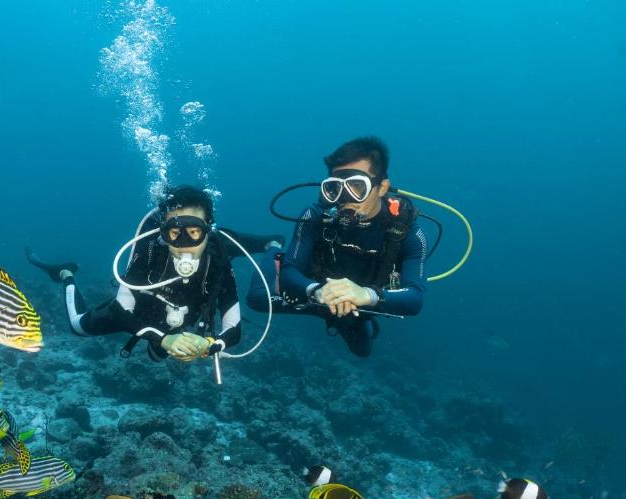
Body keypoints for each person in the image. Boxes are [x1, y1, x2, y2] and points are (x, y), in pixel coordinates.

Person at [247, 137, 427, 357]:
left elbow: (415, 298)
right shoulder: (315, 216)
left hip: (360, 302)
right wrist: (317, 292)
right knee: (257, 299)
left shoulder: (407, 233)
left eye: (357, 186)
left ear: (382, 187)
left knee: (362, 351)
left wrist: (367, 296)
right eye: (336, 188)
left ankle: (341, 315)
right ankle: (273, 247)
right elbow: (290, 271)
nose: (345, 198)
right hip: (315, 293)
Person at [27, 185, 244, 362]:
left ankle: (159, 345)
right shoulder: (151, 249)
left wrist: (208, 345)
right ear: (163, 231)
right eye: (175, 233)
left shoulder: (218, 258)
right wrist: (164, 339)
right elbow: (122, 308)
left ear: (208, 230)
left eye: (194, 232)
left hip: (178, 321)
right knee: (77, 327)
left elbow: (233, 327)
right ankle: (66, 274)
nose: (184, 245)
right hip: (136, 312)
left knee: (158, 356)